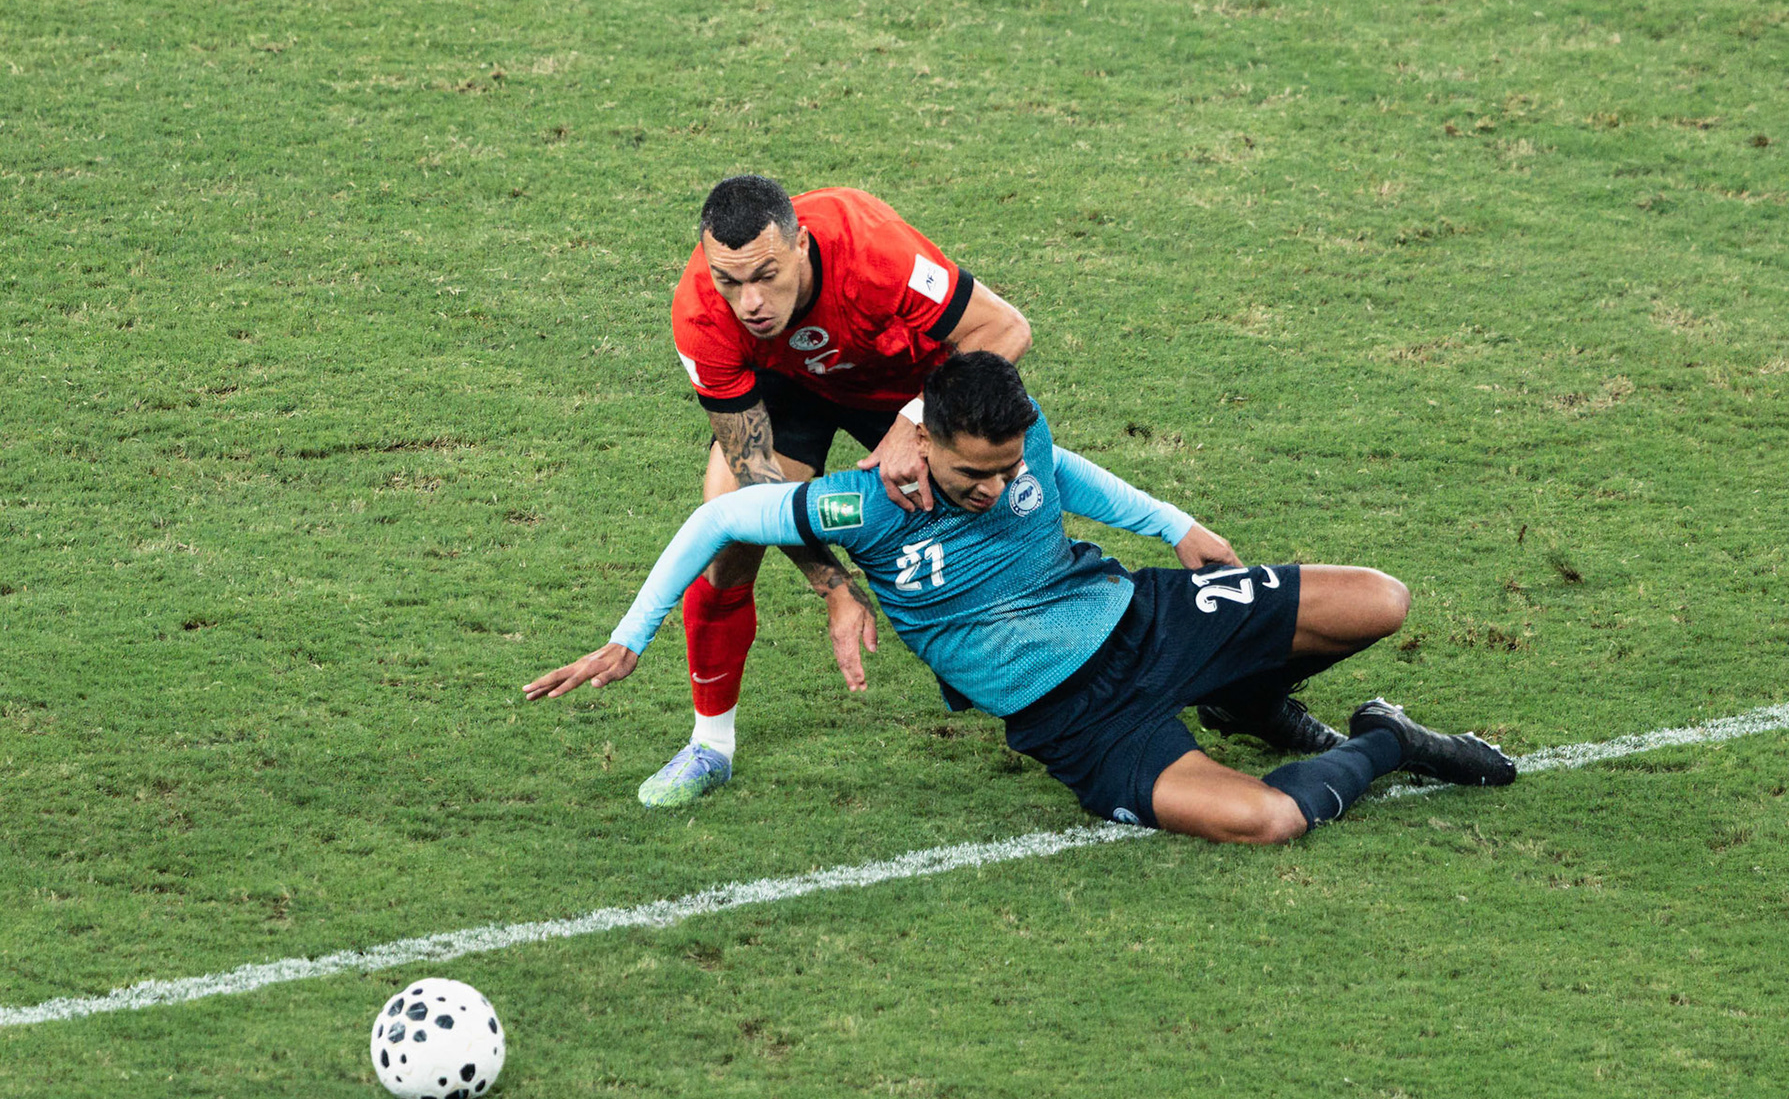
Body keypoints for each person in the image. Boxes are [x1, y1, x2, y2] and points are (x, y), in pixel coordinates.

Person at [527, 353, 1513, 844]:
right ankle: (1387, 739)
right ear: (922, 444)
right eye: (976, 474)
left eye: (1008, 468)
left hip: (1142, 618)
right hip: (1077, 721)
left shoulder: (1014, 436)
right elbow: (720, 521)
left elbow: (1060, 467)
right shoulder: (861, 502)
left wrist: (1172, 523)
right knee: (1268, 822)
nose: (1000, 489)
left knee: (1380, 600)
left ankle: (1243, 699)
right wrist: (630, 637)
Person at [648, 174, 1034, 808]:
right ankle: (710, 745)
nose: (750, 302)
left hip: (912, 385)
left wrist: (913, 424)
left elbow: (1005, 329)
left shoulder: (872, 250)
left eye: (766, 275)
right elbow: (757, 484)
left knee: (1005, 519)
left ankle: (1123, 662)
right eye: (730, 282)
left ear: (801, 244)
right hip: (794, 388)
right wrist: (833, 586)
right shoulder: (700, 312)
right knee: (729, 532)